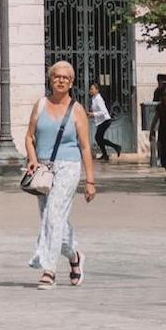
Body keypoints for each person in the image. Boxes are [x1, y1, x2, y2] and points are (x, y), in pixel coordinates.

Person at [25, 61, 95, 288]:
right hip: (44, 170)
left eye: (66, 77)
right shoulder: (40, 105)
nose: (61, 80)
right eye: (57, 76)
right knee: (52, 219)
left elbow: (85, 147)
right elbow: (29, 137)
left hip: (68, 166)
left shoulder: (77, 110)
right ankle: (75, 256)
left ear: (72, 82)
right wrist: (33, 160)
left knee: (53, 214)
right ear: (50, 79)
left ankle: (49, 270)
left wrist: (90, 181)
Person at [89, 82, 121, 161]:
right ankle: (106, 154)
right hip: (101, 121)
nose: (91, 90)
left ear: (97, 90)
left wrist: (93, 114)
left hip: (105, 120)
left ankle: (116, 147)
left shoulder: (98, 99)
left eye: (92, 89)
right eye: (90, 89)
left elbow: (103, 111)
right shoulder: (94, 98)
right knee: (99, 138)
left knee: (98, 137)